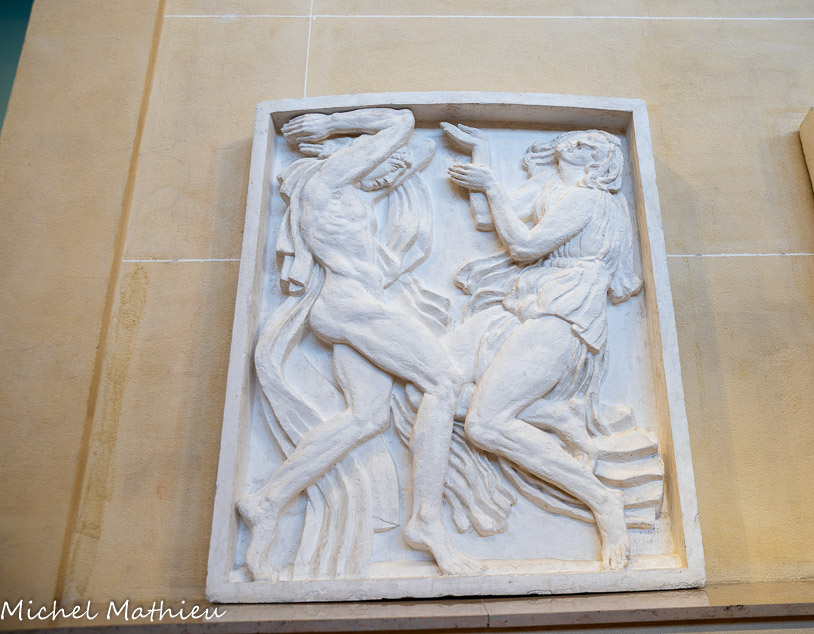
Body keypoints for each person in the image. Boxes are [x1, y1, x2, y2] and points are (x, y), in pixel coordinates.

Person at [238, 108, 482, 579]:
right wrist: (332, 126)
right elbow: (402, 123)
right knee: (444, 382)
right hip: (351, 306)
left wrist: (392, 160)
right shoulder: (329, 183)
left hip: (348, 307)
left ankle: (267, 502)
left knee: (366, 418)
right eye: (387, 164)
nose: (392, 175)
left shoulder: (349, 193)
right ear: (355, 156)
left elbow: (417, 151)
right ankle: (426, 521)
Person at [443, 125, 641, 570]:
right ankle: (554, 416)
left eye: (584, 145)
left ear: (597, 162)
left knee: (484, 425)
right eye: (573, 140)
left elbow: (522, 245)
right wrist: (482, 154)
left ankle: (604, 501)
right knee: (439, 385)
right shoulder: (553, 189)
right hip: (527, 303)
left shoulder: (589, 199)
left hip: (564, 312)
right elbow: (487, 218)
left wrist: (492, 183)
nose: (569, 145)